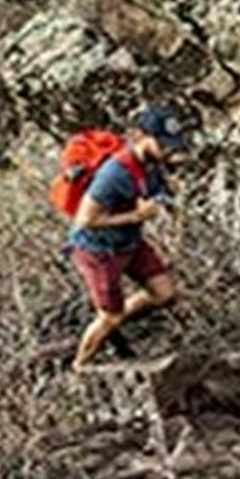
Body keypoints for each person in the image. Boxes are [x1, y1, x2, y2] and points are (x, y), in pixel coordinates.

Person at [70, 106, 189, 371]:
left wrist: (167, 195)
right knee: (109, 317)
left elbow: (154, 193)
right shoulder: (114, 175)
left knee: (164, 293)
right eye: (162, 143)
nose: (168, 150)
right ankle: (80, 366)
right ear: (141, 137)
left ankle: (119, 314)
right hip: (98, 250)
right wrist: (135, 216)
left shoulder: (152, 164)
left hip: (129, 243)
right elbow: (85, 220)